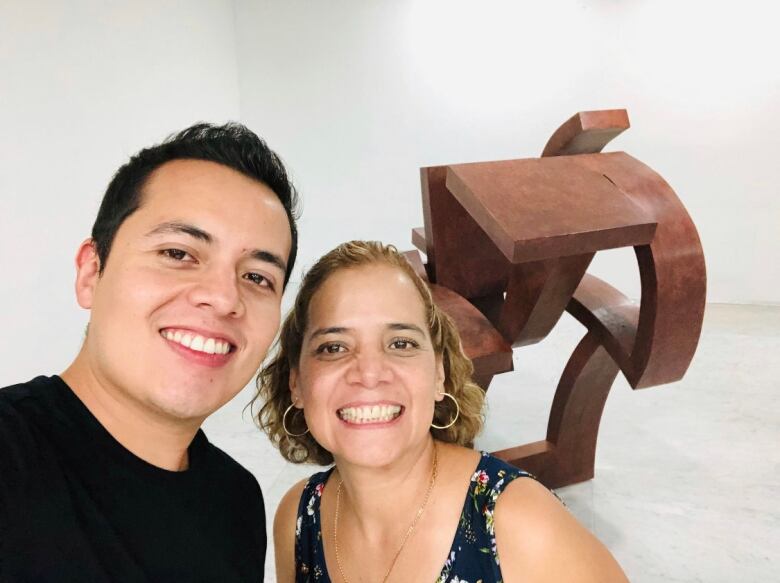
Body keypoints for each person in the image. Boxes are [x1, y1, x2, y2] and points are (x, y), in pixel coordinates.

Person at [0, 123, 299, 582]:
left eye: (258, 277)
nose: (223, 298)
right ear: (91, 272)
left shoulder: (236, 502)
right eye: (178, 253)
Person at [258, 241, 628, 583]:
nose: (368, 374)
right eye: (334, 347)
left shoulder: (518, 523)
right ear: (297, 384)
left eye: (400, 343)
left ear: (439, 374)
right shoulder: (298, 520)